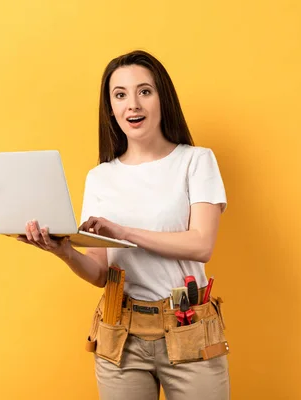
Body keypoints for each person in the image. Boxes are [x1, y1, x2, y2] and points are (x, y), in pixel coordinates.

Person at [17, 50, 230, 400]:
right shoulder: (100, 178)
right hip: (121, 331)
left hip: (187, 325)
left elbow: (201, 244)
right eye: (120, 95)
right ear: (111, 108)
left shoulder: (196, 161)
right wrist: (65, 251)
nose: (133, 104)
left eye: (144, 91)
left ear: (163, 98)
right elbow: (101, 272)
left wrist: (124, 232)